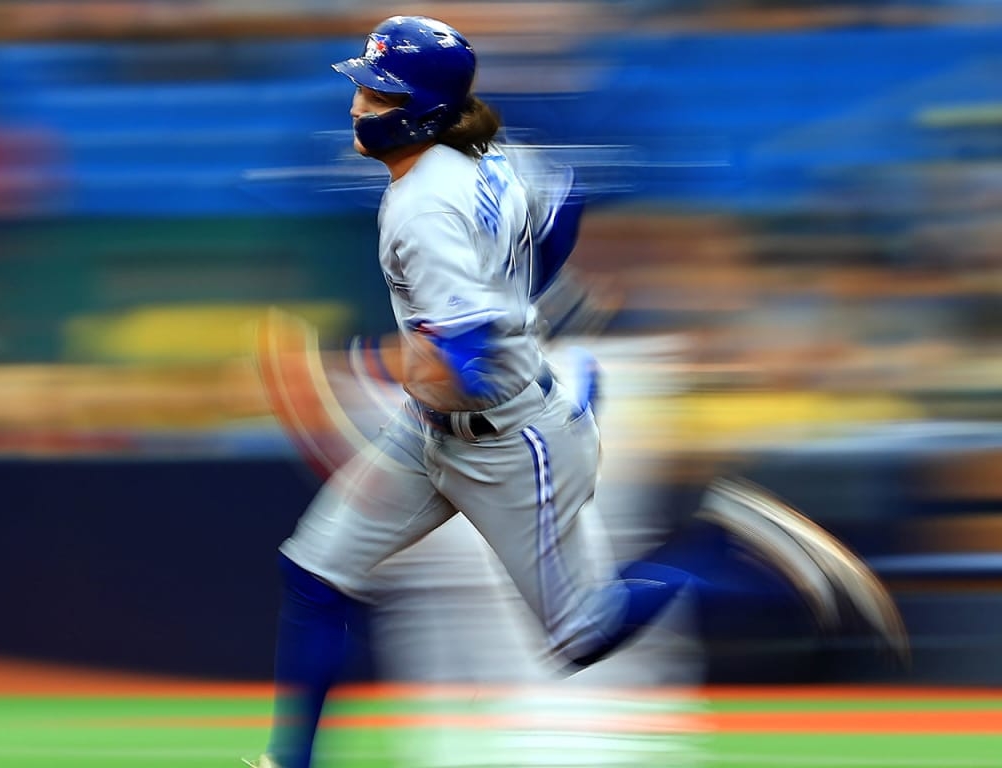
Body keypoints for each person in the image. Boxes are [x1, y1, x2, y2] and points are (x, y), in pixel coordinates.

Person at [244, 15, 906, 768]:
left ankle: (738, 550)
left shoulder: (425, 209)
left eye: (379, 93)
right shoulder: (491, 154)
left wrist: (410, 361)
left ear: (423, 111)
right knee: (316, 572)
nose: (360, 105)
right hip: (440, 427)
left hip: (505, 433)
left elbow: (460, 356)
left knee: (584, 633)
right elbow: (565, 201)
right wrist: (529, 299)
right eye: (364, 86)